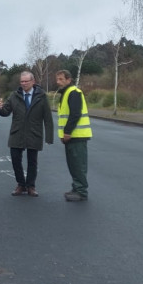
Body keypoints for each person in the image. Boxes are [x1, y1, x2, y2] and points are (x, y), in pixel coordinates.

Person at [0, 71, 54, 197]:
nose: (23, 84)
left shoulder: (41, 96)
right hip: (17, 132)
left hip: (34, 133)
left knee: (32, 161)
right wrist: (0, 108)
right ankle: (21, 184)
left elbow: (48, 118)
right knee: (15, 159)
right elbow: (6, 111)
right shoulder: (14, 96)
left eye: (26, 81)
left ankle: (31, 186)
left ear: (33, 82)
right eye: (21, 81)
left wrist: (49, 137)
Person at [55, 69, 92, 201]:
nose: (58, 82)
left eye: (61, 79)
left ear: (69, 80)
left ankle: (81, 192)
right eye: (57, 79)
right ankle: (76, 188)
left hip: (77, 135)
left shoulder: (73, 93)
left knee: (78, 165)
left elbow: (75, 114)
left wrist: (67, 132)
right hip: (72, 136)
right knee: (73, 164)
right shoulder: (66, 93)